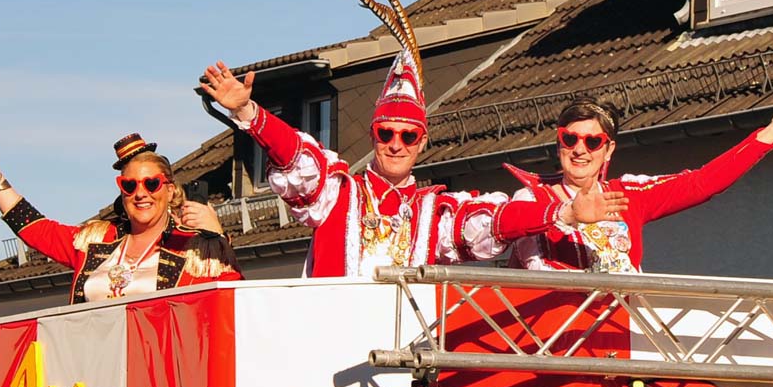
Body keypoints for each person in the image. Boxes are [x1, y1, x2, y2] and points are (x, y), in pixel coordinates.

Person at [201, 55, 617, 278]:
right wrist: (251, 113)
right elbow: (297, 157)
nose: (396, 145)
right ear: (372, 135)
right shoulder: (337, 193)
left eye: (408, 135)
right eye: (387, 134)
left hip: (401, 364)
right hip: (327, 345)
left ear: (422, 142)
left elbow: (495, 220)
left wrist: (561, 212)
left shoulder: (432, 212)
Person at [505, 99, 773, 272]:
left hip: (623, 332)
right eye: (570, 138)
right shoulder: (531, 197)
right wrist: (568, 214)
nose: (579, 150)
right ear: (558, 142)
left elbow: (701, 183)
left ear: (608, 149)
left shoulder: (629, 193)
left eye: (593, 141)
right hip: (556, 336)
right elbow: (528, 273)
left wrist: (764, 138)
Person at [0, 125, 242, 302]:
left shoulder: (195, 247)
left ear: (169, 189)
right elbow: (37, 230)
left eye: (151, 183)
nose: (141, 193)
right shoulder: (96, 240)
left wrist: (218, 238)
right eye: (129, 185)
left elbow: (235, 304)